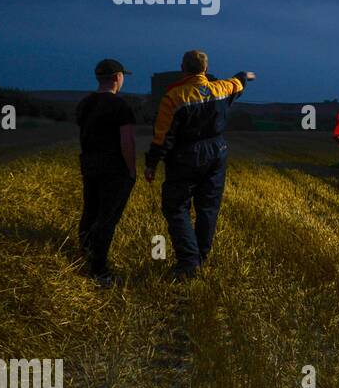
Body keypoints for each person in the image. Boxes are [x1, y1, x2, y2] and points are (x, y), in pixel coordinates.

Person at [144, 50, 256, 279]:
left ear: (183, 68)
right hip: (217, 152)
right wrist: (248, 75)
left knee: (176, 208)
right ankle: (201, 256)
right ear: (205, 68)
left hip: (186, 155)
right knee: (208, 207)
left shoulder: (174, 97)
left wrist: (152, 163)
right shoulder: (222, 88)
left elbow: (162, 136)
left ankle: (188, 262)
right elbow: (240, 81)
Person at [77, 58, 137, 285]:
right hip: (114, 169)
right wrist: (131, 170)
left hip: (90, 165)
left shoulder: (85, 103)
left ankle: (85, 255)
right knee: (107, 218)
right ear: (116, 78)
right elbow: (127, 141)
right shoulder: (120, 106)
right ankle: (99, 270)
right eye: (122, 76)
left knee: (89, 212)